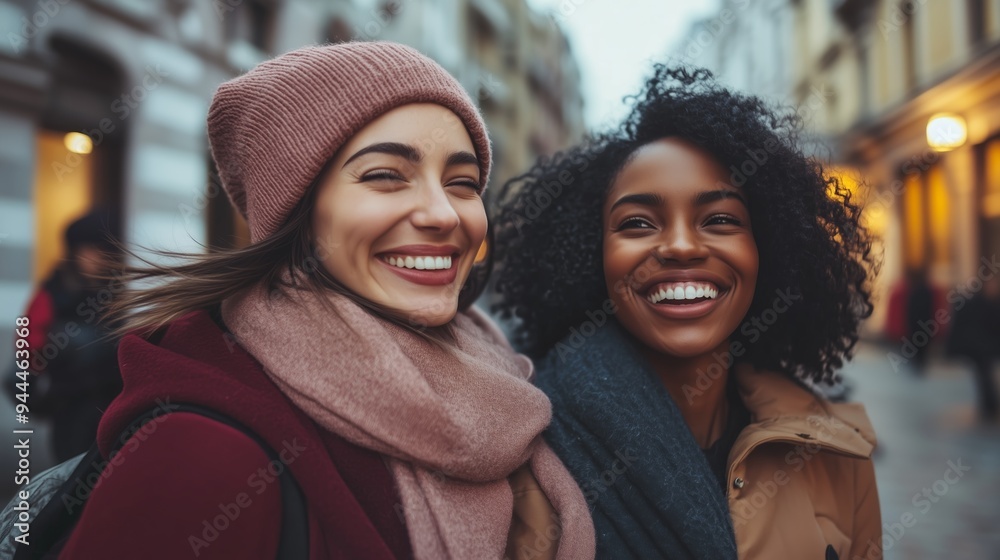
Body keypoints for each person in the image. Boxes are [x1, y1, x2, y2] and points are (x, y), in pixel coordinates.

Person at [57, 42, 594, 559]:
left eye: (463, 182)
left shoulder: (504, 380)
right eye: (385, 176)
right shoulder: (200, 456)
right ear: (297, 211)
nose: (444, 214)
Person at [493, 66, 882, 559]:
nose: (679, 246)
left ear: (768, 249)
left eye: (720, 219)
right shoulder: (521, 461)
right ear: (594, 256)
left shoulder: (832, 450)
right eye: (637, 223)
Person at [16, 210, 123, 462]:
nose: (97, 259)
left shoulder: (117, 293)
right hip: (70, 409)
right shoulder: (53, 295)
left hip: (113, 408)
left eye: (103, 251)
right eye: (90, 250)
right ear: (75, 252)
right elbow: (27, 351)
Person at [947, 275, 1000, 420]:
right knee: (984, 375)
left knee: (984, 375)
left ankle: (989, 405)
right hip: (980, 348)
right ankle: (990, 406)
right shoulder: (980, 304)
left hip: (982, 347)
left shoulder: (988, 303)